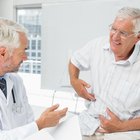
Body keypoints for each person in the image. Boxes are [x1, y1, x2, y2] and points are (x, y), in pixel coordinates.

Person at [69, 7, 140, 136]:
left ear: (137, 37)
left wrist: (121, 126)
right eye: (113, 29)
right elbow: (74, 60)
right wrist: (74, 81)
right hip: (88, 123)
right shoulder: (97, 45)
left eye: (123, 33)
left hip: (124, 133)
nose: (115, 37)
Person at [0, 18, 68, 140]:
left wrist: (41, 125)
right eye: (23, 51)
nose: (26, 58)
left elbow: (28, 122)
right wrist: (40, 124)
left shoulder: (16, 82)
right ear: (3, 53)